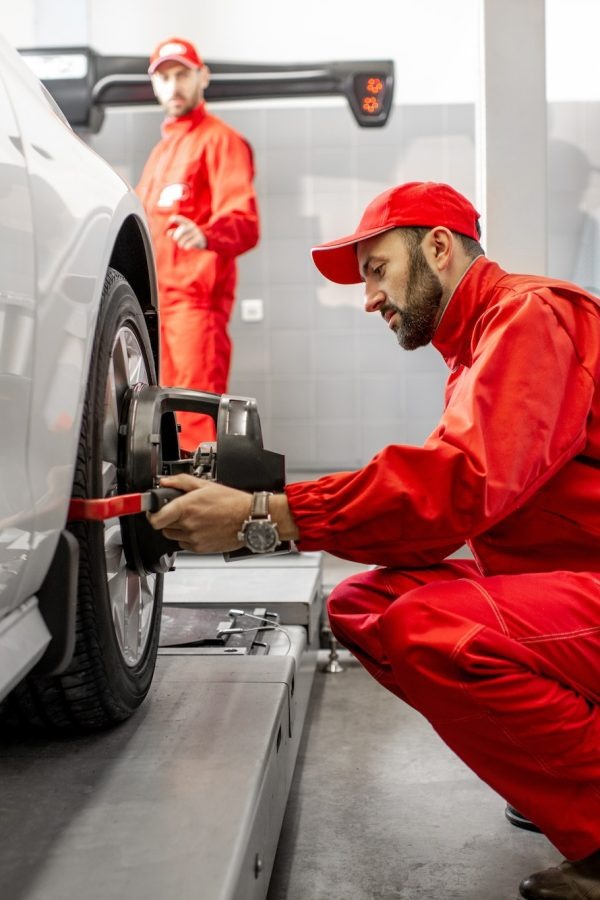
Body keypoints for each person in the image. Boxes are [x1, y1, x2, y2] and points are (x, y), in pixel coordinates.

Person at [148, 181, 600, 900]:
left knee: (428, 625)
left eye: (376, 269)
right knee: (365, 604)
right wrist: (285, 513)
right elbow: (435, 520)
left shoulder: (529, 315)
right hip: (575, 595)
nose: (368, 298)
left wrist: (265, 514)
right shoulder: (478, 347)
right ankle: (567, 766)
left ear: (439, 248)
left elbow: (457, 489)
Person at [136, 36, 259, 448]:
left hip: (195, 308)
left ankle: (200, 510)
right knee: (159, 422)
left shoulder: (221, 141)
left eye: (182, 75)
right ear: (154, 86)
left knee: (194, 419)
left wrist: (207, 233)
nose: (173, 86)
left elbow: (245, 222)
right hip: (155, 310)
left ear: (202, 76)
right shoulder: (160, 154)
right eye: (164, 78)